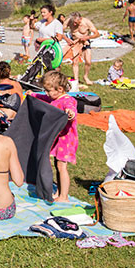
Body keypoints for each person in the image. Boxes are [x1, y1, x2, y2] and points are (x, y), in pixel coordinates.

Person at [33, 70, 78, 202]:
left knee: (62, 167)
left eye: (48, 90)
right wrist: (33, 95)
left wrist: (70, 113)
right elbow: (44, 98)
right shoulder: (54, 98)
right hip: (58, 138)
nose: (46, 93)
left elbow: (71, 107)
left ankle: (64, 196)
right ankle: (59, 192)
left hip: (66, 139)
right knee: (58, 165)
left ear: (60, 89)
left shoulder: (67, 101)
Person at [65, 12, 100, 90]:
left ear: (80, 19)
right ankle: (76, 80)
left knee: (88, 61)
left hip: (85, 41)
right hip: (74, 42)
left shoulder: (86, 22)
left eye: (76, 22)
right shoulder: (69, 21)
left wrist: (87, 37)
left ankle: (85, 76)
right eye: (73, 22)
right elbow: (60, 30)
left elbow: (97, 34)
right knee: (75, 62)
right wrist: (67, 39)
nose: (74, 24)